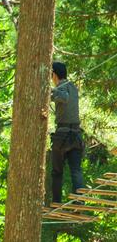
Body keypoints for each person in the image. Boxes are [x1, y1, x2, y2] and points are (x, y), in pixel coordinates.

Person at [50, 62, 84, 204]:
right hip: (75, 135)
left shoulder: (62, 88)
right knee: (76, 170)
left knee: (57, 172)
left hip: (63, 135)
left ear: (54, 74)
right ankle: (79, 200)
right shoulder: (73, 88)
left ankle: (56, 202)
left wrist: (49, 92)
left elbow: (64, 97)